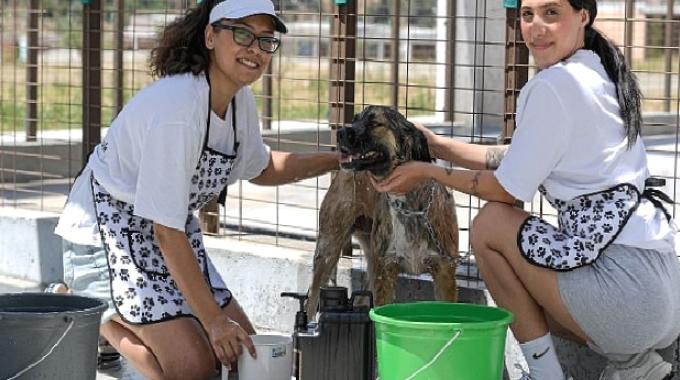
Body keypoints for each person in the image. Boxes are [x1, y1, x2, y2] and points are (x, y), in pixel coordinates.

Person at [371, 1, 680, 379]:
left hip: (624, 296)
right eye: (527, 14)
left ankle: (546, 375)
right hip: (662, 294)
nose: (536, 27)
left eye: (552, 13)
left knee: (490, 226)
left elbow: (504, 189)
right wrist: (436, 145)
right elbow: (517, 157)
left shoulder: (553, 85)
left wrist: (429, 173)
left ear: (583, 15)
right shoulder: (599, 70)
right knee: (528, 275)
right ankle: (636, 365)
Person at [53, 0, 339, 378]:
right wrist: (214, 321)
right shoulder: (177, 108)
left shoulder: (239, 102)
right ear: (210, 35)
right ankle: (93, 310)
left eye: (265, 40)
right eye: (242, 34)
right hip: (107, 236)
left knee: (244, 354)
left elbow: (263, 167)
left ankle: (123, 320)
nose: (254, 49)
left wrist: (340, 160)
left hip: (167, 234)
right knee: (194, 366)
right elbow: (167, 232)